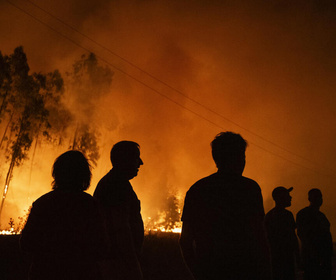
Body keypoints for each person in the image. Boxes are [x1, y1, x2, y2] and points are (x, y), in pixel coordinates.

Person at [179, 131, 272, 280]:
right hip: (246, 270)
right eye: (242, 156)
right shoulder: (249, 188)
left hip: (210, 270)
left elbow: (185, 241)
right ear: (238, 158)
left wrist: (198, 272)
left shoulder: (198, 189)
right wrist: (266, 271)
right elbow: (259, 235)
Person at [20, 150, 107, 280]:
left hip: (45, 272)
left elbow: (27, 243)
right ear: (84, 175)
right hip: (82, 272)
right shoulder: (89, 205)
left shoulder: (43, 203)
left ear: (57, 174)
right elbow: (102, 246)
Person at [94, 140, 144, 280]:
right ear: (125, 160)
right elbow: (120, 228)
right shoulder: (116, 186)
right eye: (136, 157)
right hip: (117, 263)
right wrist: (132, 264)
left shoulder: (117, 183)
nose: (140, 163)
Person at [296, 188, 333, 280]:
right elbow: (302, 234)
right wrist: (313, 252)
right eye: (316, 197)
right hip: (312, 258)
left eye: (320, 197)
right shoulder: (304, 214)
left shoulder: (321, 216)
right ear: (309, 199)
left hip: (324, 257)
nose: (319, 199)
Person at [264, 186, 300, 280]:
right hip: (280, 259)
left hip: (280, 259)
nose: (290, 197)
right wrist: (298, 257)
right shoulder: (285, 215)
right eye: (287, 195)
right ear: (279, 198)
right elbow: (292, 237)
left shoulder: (270, 216)